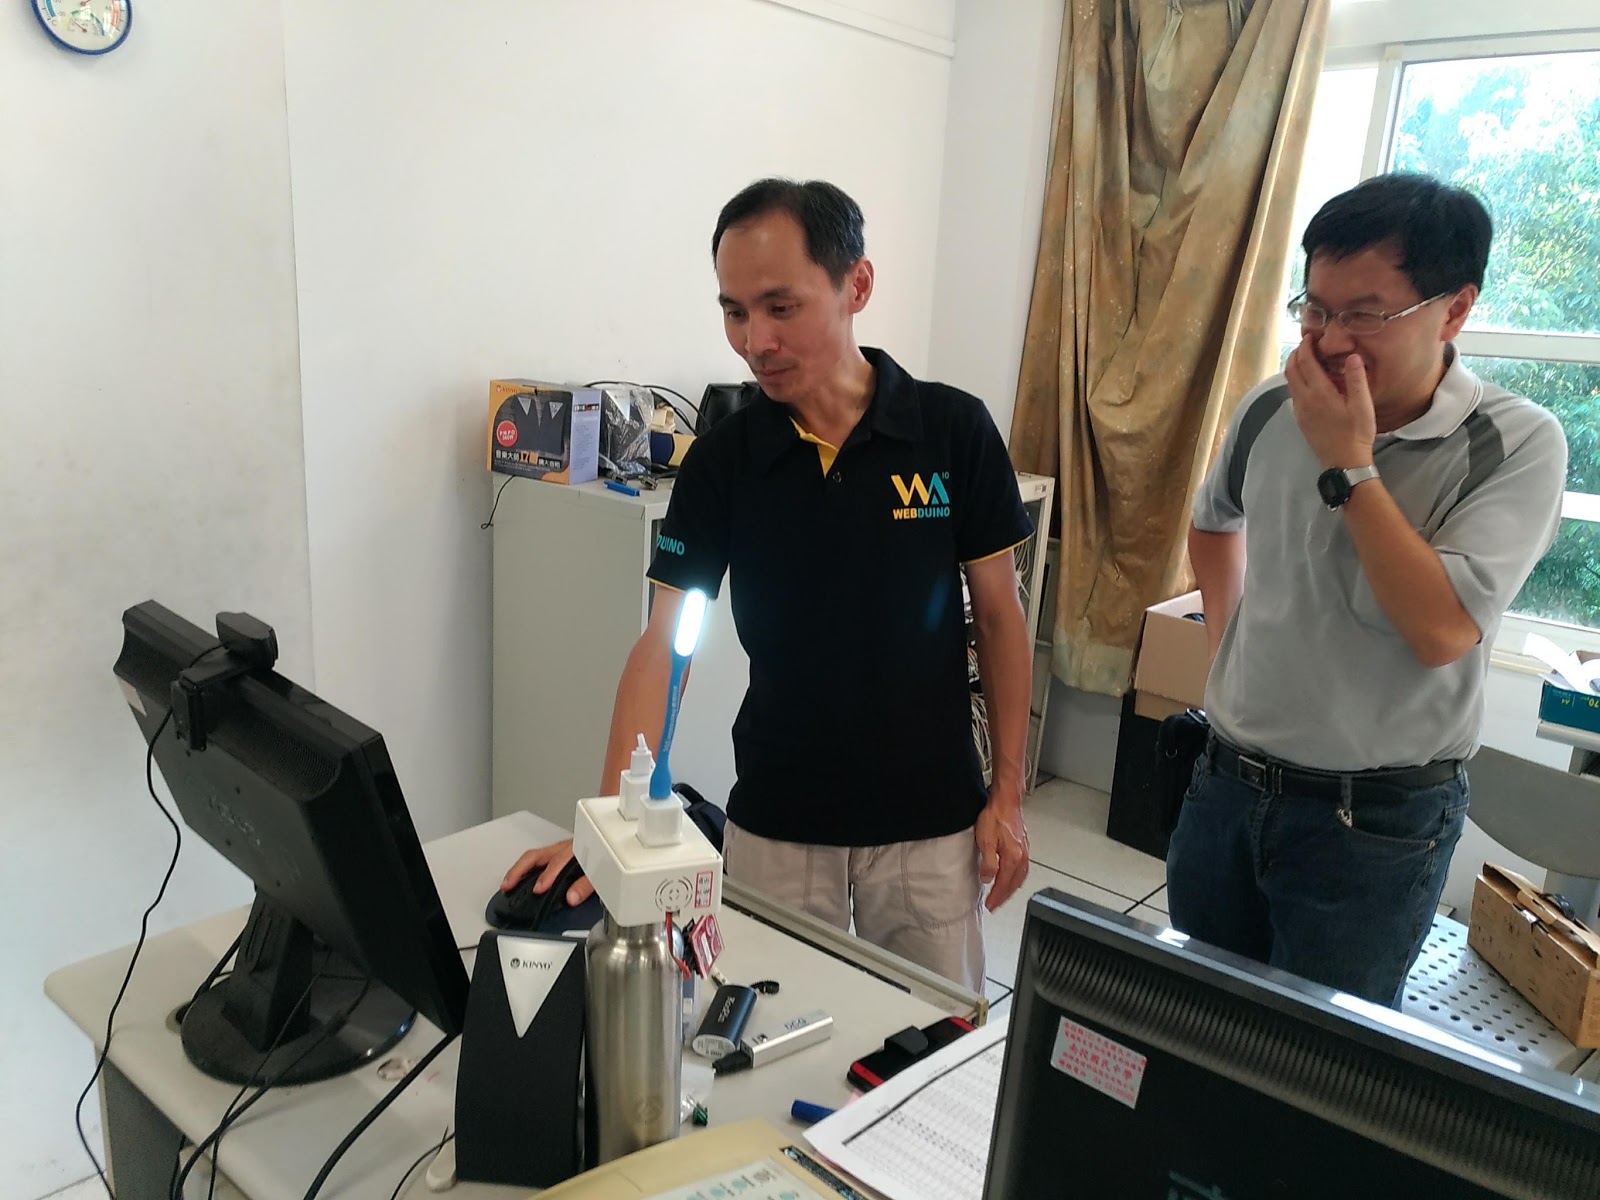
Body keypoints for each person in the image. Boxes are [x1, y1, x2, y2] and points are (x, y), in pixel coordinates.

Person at [501, 179, 1035, 991]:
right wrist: (609, 826)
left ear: (856, 284)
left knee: (928, 1041)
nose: (755, 342)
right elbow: (663, 646)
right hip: (779, 822)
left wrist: (1007, 795)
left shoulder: (951, 431)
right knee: (764, 1036)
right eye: (735, 312)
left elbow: (998, 619)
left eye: (781, 308)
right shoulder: (726, 459)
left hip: (929, 826)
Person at [1169, 173, 1568, 1007]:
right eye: (1314, 308)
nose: (1327, 339)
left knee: (1320, 1059)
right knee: (1196, 1022)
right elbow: (1212, 524)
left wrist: (1349, 462)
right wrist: (1225, 656)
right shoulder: (1271, 406)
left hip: (1375, 821)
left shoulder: (1517, 443)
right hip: (1227, 784)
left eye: (1363, 314)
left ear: (1454, 310)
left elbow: (1442, 628)